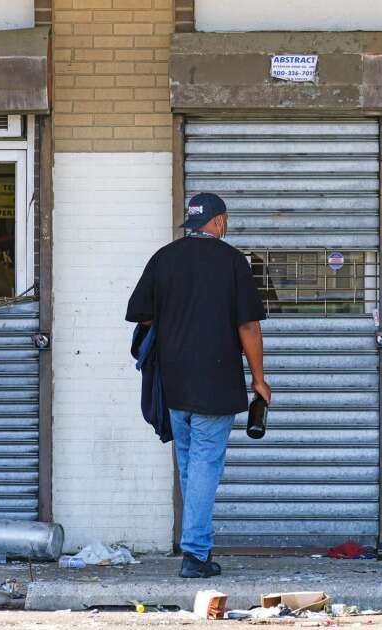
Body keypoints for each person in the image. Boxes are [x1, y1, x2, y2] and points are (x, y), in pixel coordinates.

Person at [126, 192, 269, 579]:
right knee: (205, 465)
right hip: (216, 384)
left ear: (191, 222)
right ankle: (195, 553)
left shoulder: (164, 258)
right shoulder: (233, 262)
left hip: (174, 384)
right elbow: (248, 327)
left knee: (190, 466)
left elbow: (140, 314)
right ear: (219, 222)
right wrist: (259, 380)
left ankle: (195, 546)